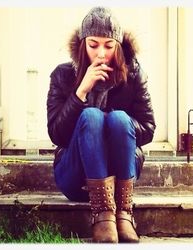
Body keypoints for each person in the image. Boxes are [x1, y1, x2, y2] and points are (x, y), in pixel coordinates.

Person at [47, 6, 156, 243]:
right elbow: (57, 134)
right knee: (91, 117)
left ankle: (124, 214)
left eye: (109, 45)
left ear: (118, 45)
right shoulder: (63, 76)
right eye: (93, 44)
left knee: (118, 119)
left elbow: (148, 128)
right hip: (76, 177)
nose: (101, 53)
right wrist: (81, 92)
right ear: (83, 44)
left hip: (121, 178)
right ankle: (104, 215)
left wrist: (113, 121)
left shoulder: (134, 74)